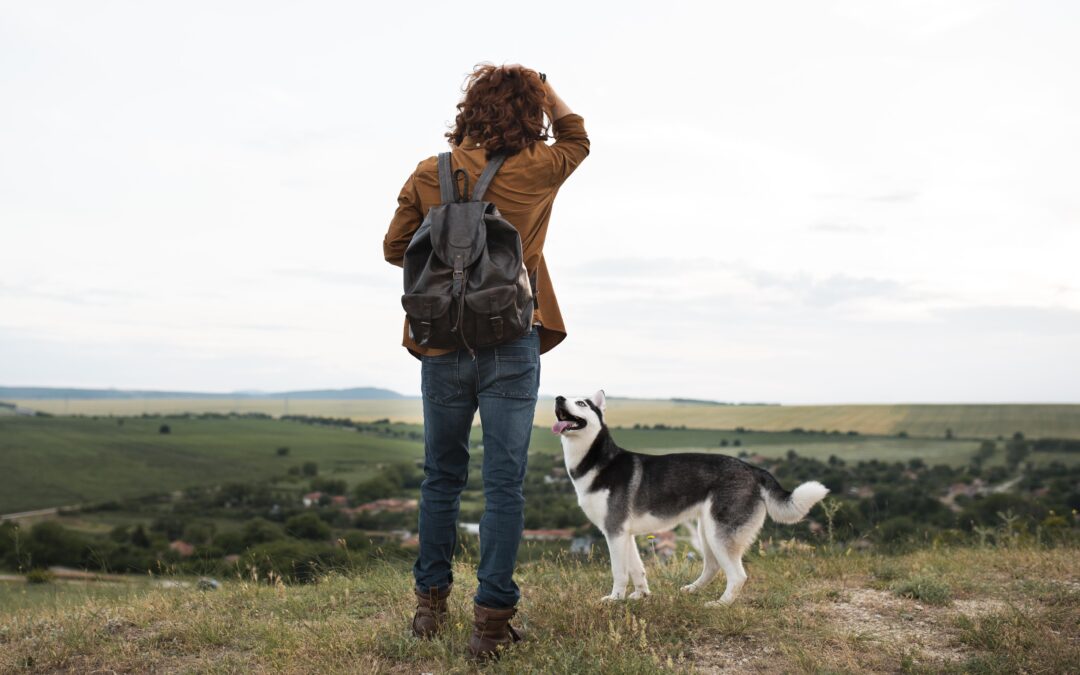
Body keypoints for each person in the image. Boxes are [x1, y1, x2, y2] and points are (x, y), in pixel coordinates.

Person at [382, 62, 589, 659]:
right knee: (504, 484)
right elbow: (577, 136)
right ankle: (490, 626)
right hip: (511, 339)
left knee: (440, 477)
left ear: (468, 108)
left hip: (442, 342)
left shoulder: (429, 173)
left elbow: (395, 248)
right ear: (531, 112)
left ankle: (428, 609)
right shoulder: (539, 167)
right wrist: (542, 85)